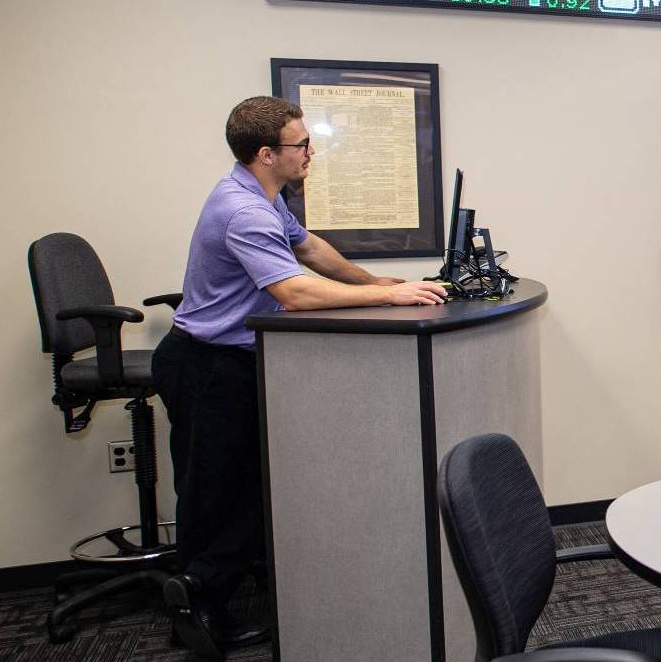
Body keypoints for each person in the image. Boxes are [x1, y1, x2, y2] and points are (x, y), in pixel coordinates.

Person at [152, 96, 448, 659]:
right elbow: (294, 292)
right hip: (206, 364)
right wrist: (384, 296)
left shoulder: (266, 197)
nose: (311, 151)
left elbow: (312, 251)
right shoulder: (244, 211)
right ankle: (193, 611)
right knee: (212, 492)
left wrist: (382, 288)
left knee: (250, 483)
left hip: (234, 359)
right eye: (302, 143)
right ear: (267, 153)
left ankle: (213, 589)